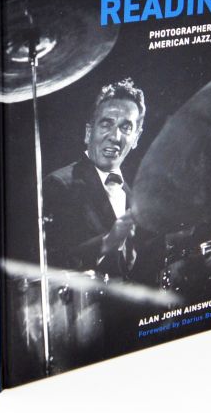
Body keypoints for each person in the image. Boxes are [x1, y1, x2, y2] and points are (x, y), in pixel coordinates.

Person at [41, 78, 152, 282]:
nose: (115, 136)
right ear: (88, 133)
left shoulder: (134, 198)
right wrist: (107, 242)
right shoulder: (59, 184)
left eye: (126, 127)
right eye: (106, 124)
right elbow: (51, 265)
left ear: (136, 138)